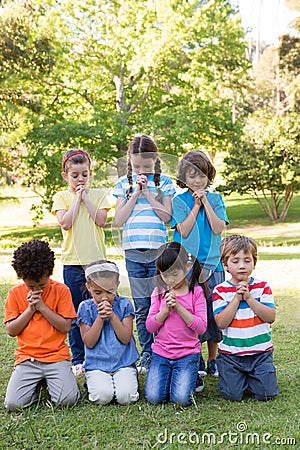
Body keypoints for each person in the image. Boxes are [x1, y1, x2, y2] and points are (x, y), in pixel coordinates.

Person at [113, 135, 176, 373]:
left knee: (161, 302)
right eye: (137, 166)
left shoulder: (165, 182)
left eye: (147, 167)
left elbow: (167, 218)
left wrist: (149, 193)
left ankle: (165, 349)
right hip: (133, 252)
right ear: (130, 161)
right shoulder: (123, 184)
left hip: (159, 252)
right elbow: (118, 220)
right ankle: (147, 352)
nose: (142, 171)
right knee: (141, 306)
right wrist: (135, 194)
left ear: (155, 161)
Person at [171, 150, 229, 391]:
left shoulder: (216, 200)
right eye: (192, 175)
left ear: (209, 176)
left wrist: (205, 201)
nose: (198, 180)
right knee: (191, 313)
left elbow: (218, 229)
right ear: (184, 177)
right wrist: (195, 205)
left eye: (202, 175)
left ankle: (214, 358)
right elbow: (183, 231)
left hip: (212, 264)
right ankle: (194, 358)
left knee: (214, 313)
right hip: (187, 266)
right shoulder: (179, 201)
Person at [52, 148, 110, 375]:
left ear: (90, 173)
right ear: (66, 176)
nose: (80, 179)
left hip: (96, 263)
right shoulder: (62, 196)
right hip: (73, 263)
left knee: (100, 308)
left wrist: (86, 198)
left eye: (84, 174)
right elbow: (65, 223)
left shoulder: (97, 195)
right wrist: (77, 199)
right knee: (76, 312)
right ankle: (79, 358)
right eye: (75, 175)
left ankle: (101, 353)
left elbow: (101, 221)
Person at [4, 239, 80, 412]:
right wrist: (30, 309)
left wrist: (43, 308)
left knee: (67, 400)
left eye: (42, 285)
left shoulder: (61, 291)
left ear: (49, 274)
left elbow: (66, 327)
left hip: (56, 357)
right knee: (13, 405)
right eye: (31, 286)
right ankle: (37, 384)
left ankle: (52, 380)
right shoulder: (15, 294)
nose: (37, 290)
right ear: (22, 278)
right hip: (27, 358)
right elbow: (11, 330)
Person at [213, 234, 278, 401]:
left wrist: (248, 298)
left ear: (254, 263)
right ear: (225, 265)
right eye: (235, 261)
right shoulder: (220, 291)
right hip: (231, 356)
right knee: (232, 395)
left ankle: (255, 378)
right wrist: (236, 298)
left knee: (266, 394)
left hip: (260, 353)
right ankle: (238, 378)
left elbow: (270, 317)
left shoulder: (262, 287)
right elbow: (221, 322)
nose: (241, 266)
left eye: (247, 260)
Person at [144, 242, 208, 406]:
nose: (169, 279)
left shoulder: (196, 292)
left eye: (174, 273)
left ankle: (192, 377)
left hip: (187, 354)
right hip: (161, 354)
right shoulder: (158, 293)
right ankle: (175, 376)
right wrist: (165, 310)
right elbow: (150, 327)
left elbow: (201, 327)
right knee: (154, 398)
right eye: (164, 274)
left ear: (187, 267)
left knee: (181, 399)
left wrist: (178, 307)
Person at [77, 260, 140, 405]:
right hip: (97, 364)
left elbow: (125, 338)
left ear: (117, 285)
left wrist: (112, 316)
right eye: (98, 293)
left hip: (124, 363)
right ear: (88, 287)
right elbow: (89, 342)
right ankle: (93, 381)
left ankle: (129, 376)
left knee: (127, 398)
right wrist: (100, 318)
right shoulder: (85, 308)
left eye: (109, 291)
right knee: (102, 397)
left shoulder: (124, 305)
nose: (104, 297)